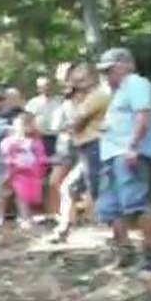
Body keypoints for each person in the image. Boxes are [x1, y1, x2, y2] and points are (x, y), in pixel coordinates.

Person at [95, 47, 151, 271]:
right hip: (111, 155)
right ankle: (125, 253)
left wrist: (133, 146)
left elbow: (144, 114)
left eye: (110, 70)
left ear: (125, 64)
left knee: (137, 202)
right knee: (109, 207)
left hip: (128, 153)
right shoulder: (116, 92)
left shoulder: (136, 83)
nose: (106, 75)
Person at [50, 63, 110, 242]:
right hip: (86, 148)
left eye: (81, 78)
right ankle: (63, 229)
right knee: (69, 187)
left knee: (98, 191)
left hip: (96, 146)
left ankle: (115, 234)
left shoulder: (98, 95)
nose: (76, 82)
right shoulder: (76, 99)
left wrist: (70, 122)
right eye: (74, 79)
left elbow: (75, 123)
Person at [0, 111, 47, 230]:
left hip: (30, 172)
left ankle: (26, 216)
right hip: (13, 171)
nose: (24, 128)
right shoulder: (9, 141)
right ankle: (1, 215)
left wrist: (40, 167)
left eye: (29, 124)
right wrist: (11, 163)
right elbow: (5, 153)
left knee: (25, 195)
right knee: (8, 192)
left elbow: (40, 156)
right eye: (22, 125)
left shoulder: (35, 141)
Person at [46, 63, 79, 216]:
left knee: (85, 182)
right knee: (55, 181)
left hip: (80, 142)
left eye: (64, 75)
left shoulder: (82, 92)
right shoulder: (60, 98)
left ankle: (91, 218)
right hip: (63, 144)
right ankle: (56, 215)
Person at [26, 75, 63, 160]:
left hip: (56, 137)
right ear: (38, 88)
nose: (46, 88)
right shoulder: (33, 102)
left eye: (47, 85)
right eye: (43, 86)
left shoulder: (59, 100)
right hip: (39, 137)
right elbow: (28, 119)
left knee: (55, 161)